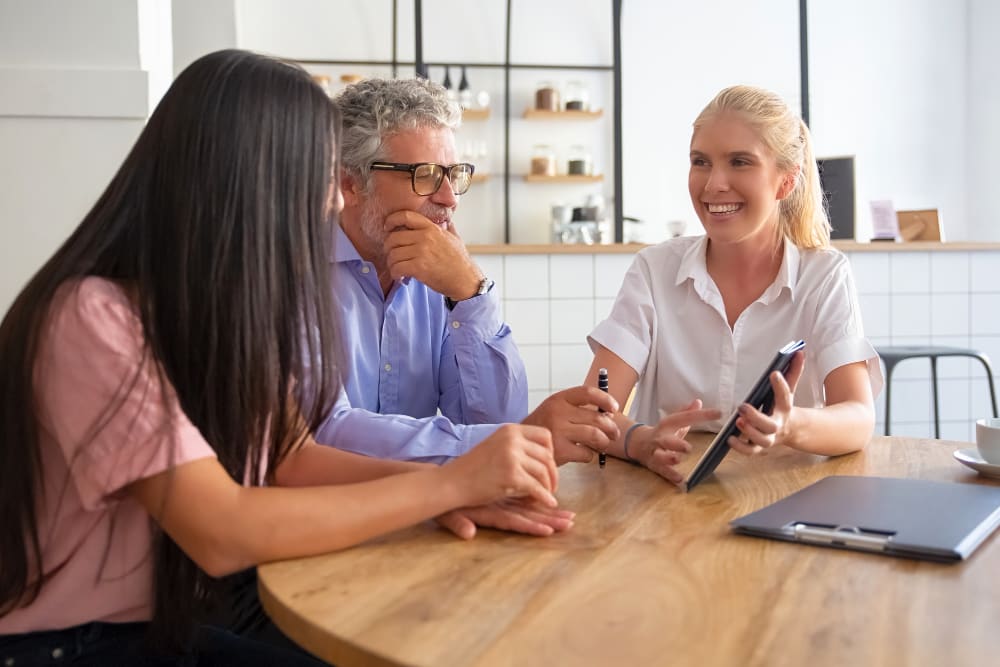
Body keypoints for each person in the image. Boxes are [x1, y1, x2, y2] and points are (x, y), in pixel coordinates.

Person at [0, 50, 572, 665]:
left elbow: (293, 456)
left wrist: (455, 490)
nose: (333, 202)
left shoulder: (212, 304)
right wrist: (452, 483)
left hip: (166, 616)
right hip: (67, 645)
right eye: (324, 177)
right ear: (252, 179)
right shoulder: (91, 316)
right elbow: (221, 533)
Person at [585, 84, 882, 484]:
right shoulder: (653, 270)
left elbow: (859, 419)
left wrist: (790, 424)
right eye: (700, 161)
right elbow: (595, 413)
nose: (713, 184)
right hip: (663, 501)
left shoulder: (824, 275)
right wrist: (641, 441)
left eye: (740, 162)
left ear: (786, 181)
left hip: (780, 495)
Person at [315, 76, 617, 465]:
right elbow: (325, 433)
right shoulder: (291, 272)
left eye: (453, 175)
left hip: (431, 510)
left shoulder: (442, 276)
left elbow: (497, 419)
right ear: (350, 184)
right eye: (424, 175)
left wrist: (471, 292)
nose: (449, 199)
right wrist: (508, 443)